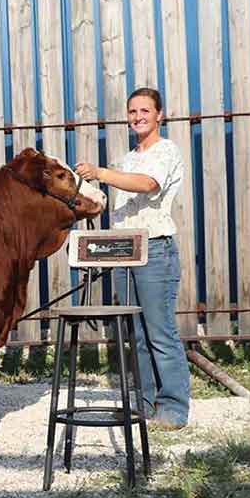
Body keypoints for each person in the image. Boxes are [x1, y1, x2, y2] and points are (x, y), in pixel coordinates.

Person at [75, 87, 190, 430]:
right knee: (135, 332)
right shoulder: (127, 158)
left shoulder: (166, 151)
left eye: (144, 111)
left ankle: (173, 407)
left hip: (155, 249)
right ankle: (143, 402)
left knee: (160, 331)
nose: (138, 117)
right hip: (126, 250)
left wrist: (101, 174)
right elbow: (116, 196)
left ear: (159, 115)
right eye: (132, 112)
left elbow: (146, 185)